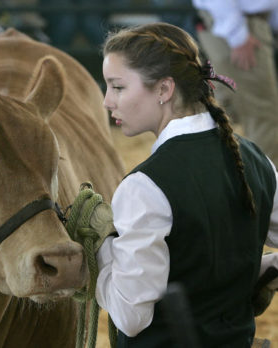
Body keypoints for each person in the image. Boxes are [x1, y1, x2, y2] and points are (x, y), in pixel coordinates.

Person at [93, 22, 278, 347]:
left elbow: (130, 316)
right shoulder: (256, 159)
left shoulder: (143, 186)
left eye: (118, 87)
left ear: (164, 90)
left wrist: (101, 251)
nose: (107, 101)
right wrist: (255, 270)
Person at [191, 0, 278, 168]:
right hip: (239, 30)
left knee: (227, 111)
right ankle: (270, 187)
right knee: (262, 114)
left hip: (242, 25)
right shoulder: (238, 32)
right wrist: (238, 35)